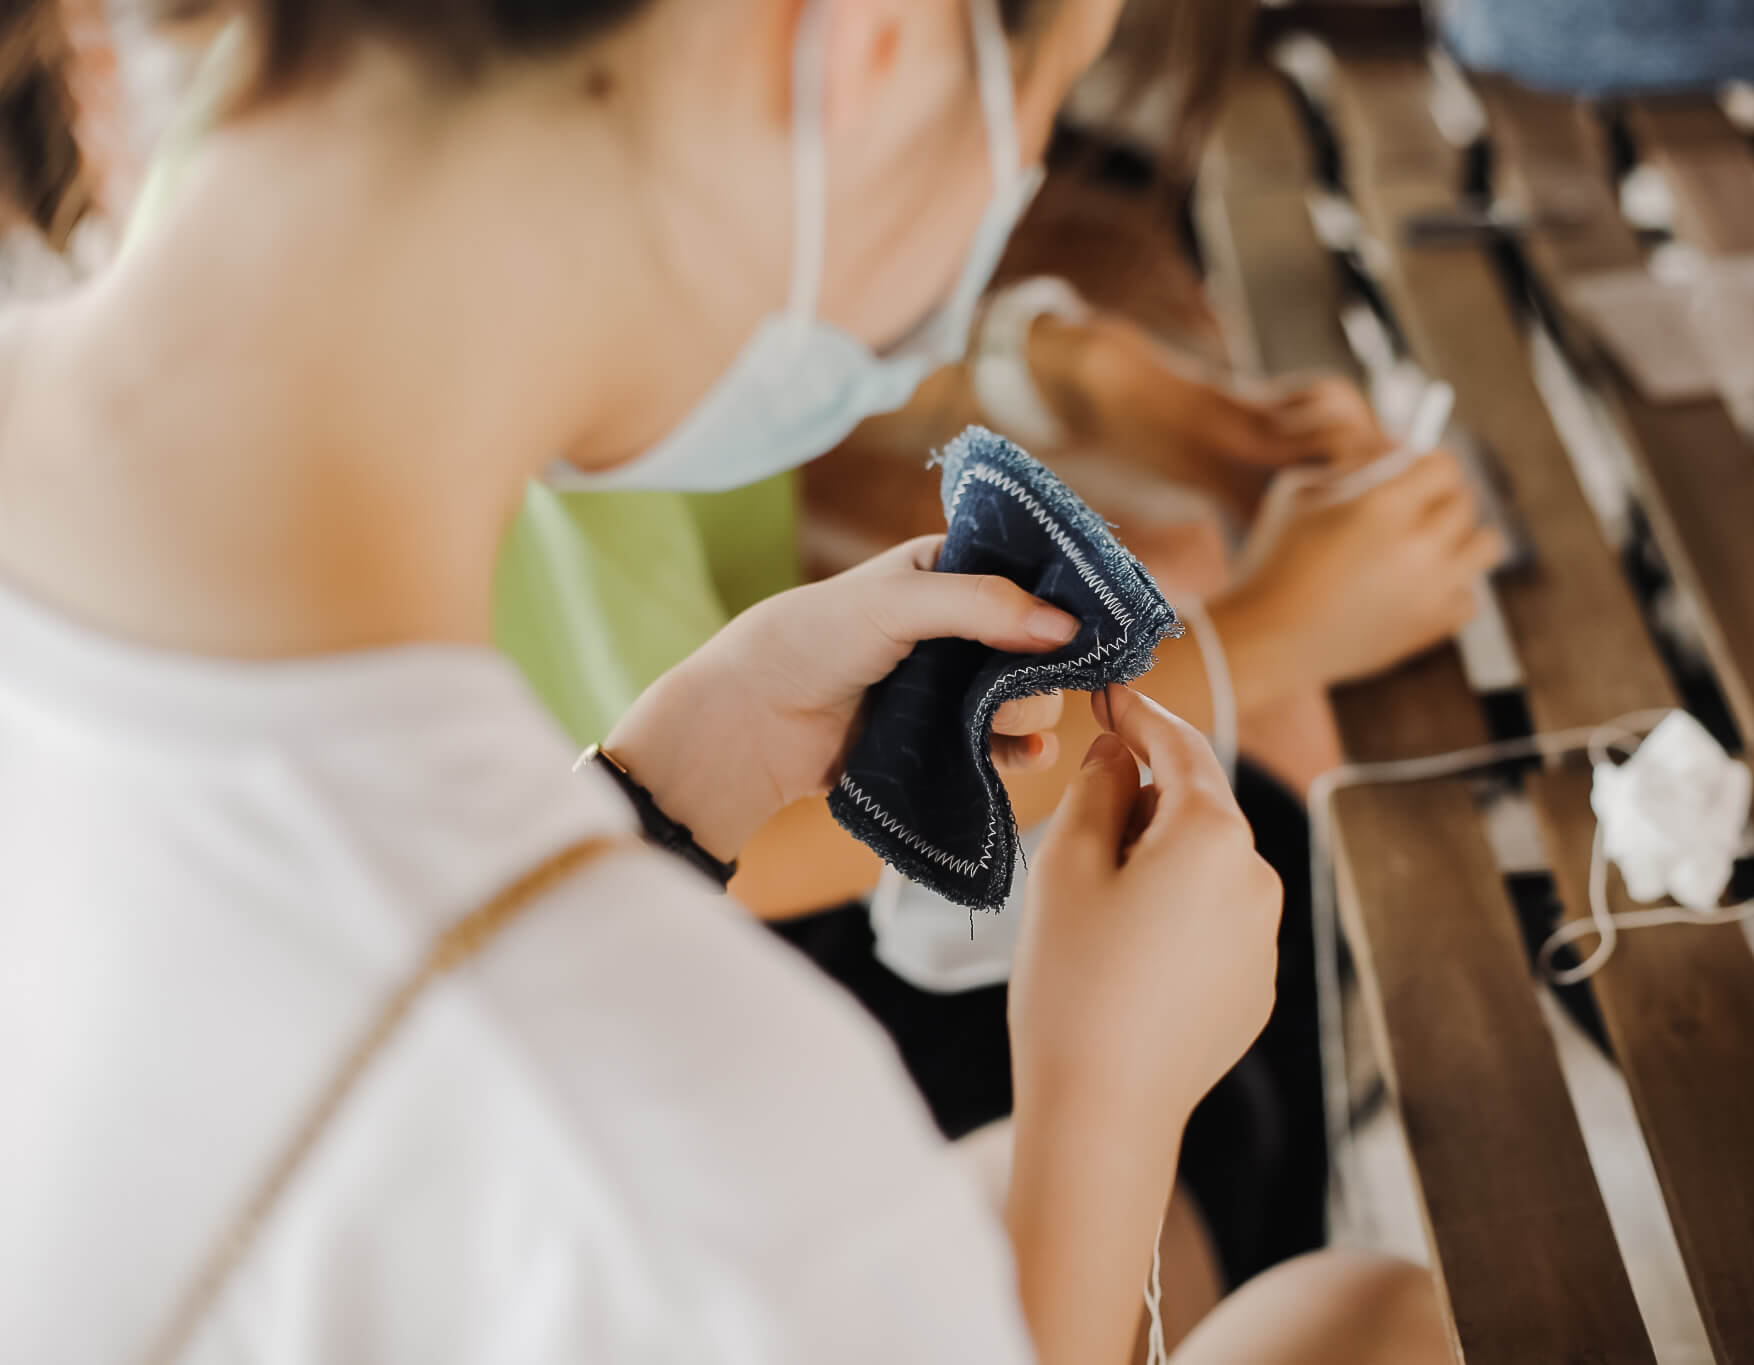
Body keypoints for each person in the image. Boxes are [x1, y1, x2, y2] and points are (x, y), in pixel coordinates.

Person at [0, 3, 1455, 1364]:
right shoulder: (675, 1165)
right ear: (867, 48)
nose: (1011, 184)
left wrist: (662, 790)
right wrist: (1104, 1102)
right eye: (1042, 104)